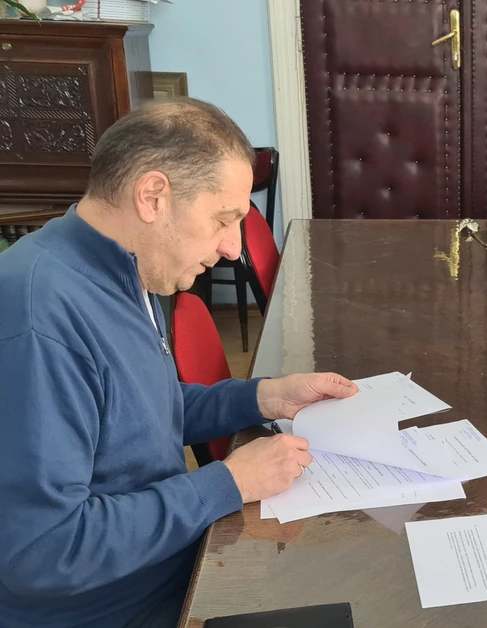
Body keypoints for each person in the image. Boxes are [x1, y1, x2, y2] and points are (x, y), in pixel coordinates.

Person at [0, 98, 359, 628]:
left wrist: (263, 396)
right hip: (118, 609)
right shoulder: (39, 320)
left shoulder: (126, 269)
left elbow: (138, 413)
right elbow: (43, 552)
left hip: (171, 562)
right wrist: (228, 483)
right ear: (153, 197)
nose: (233, 248)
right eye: (223, 219)